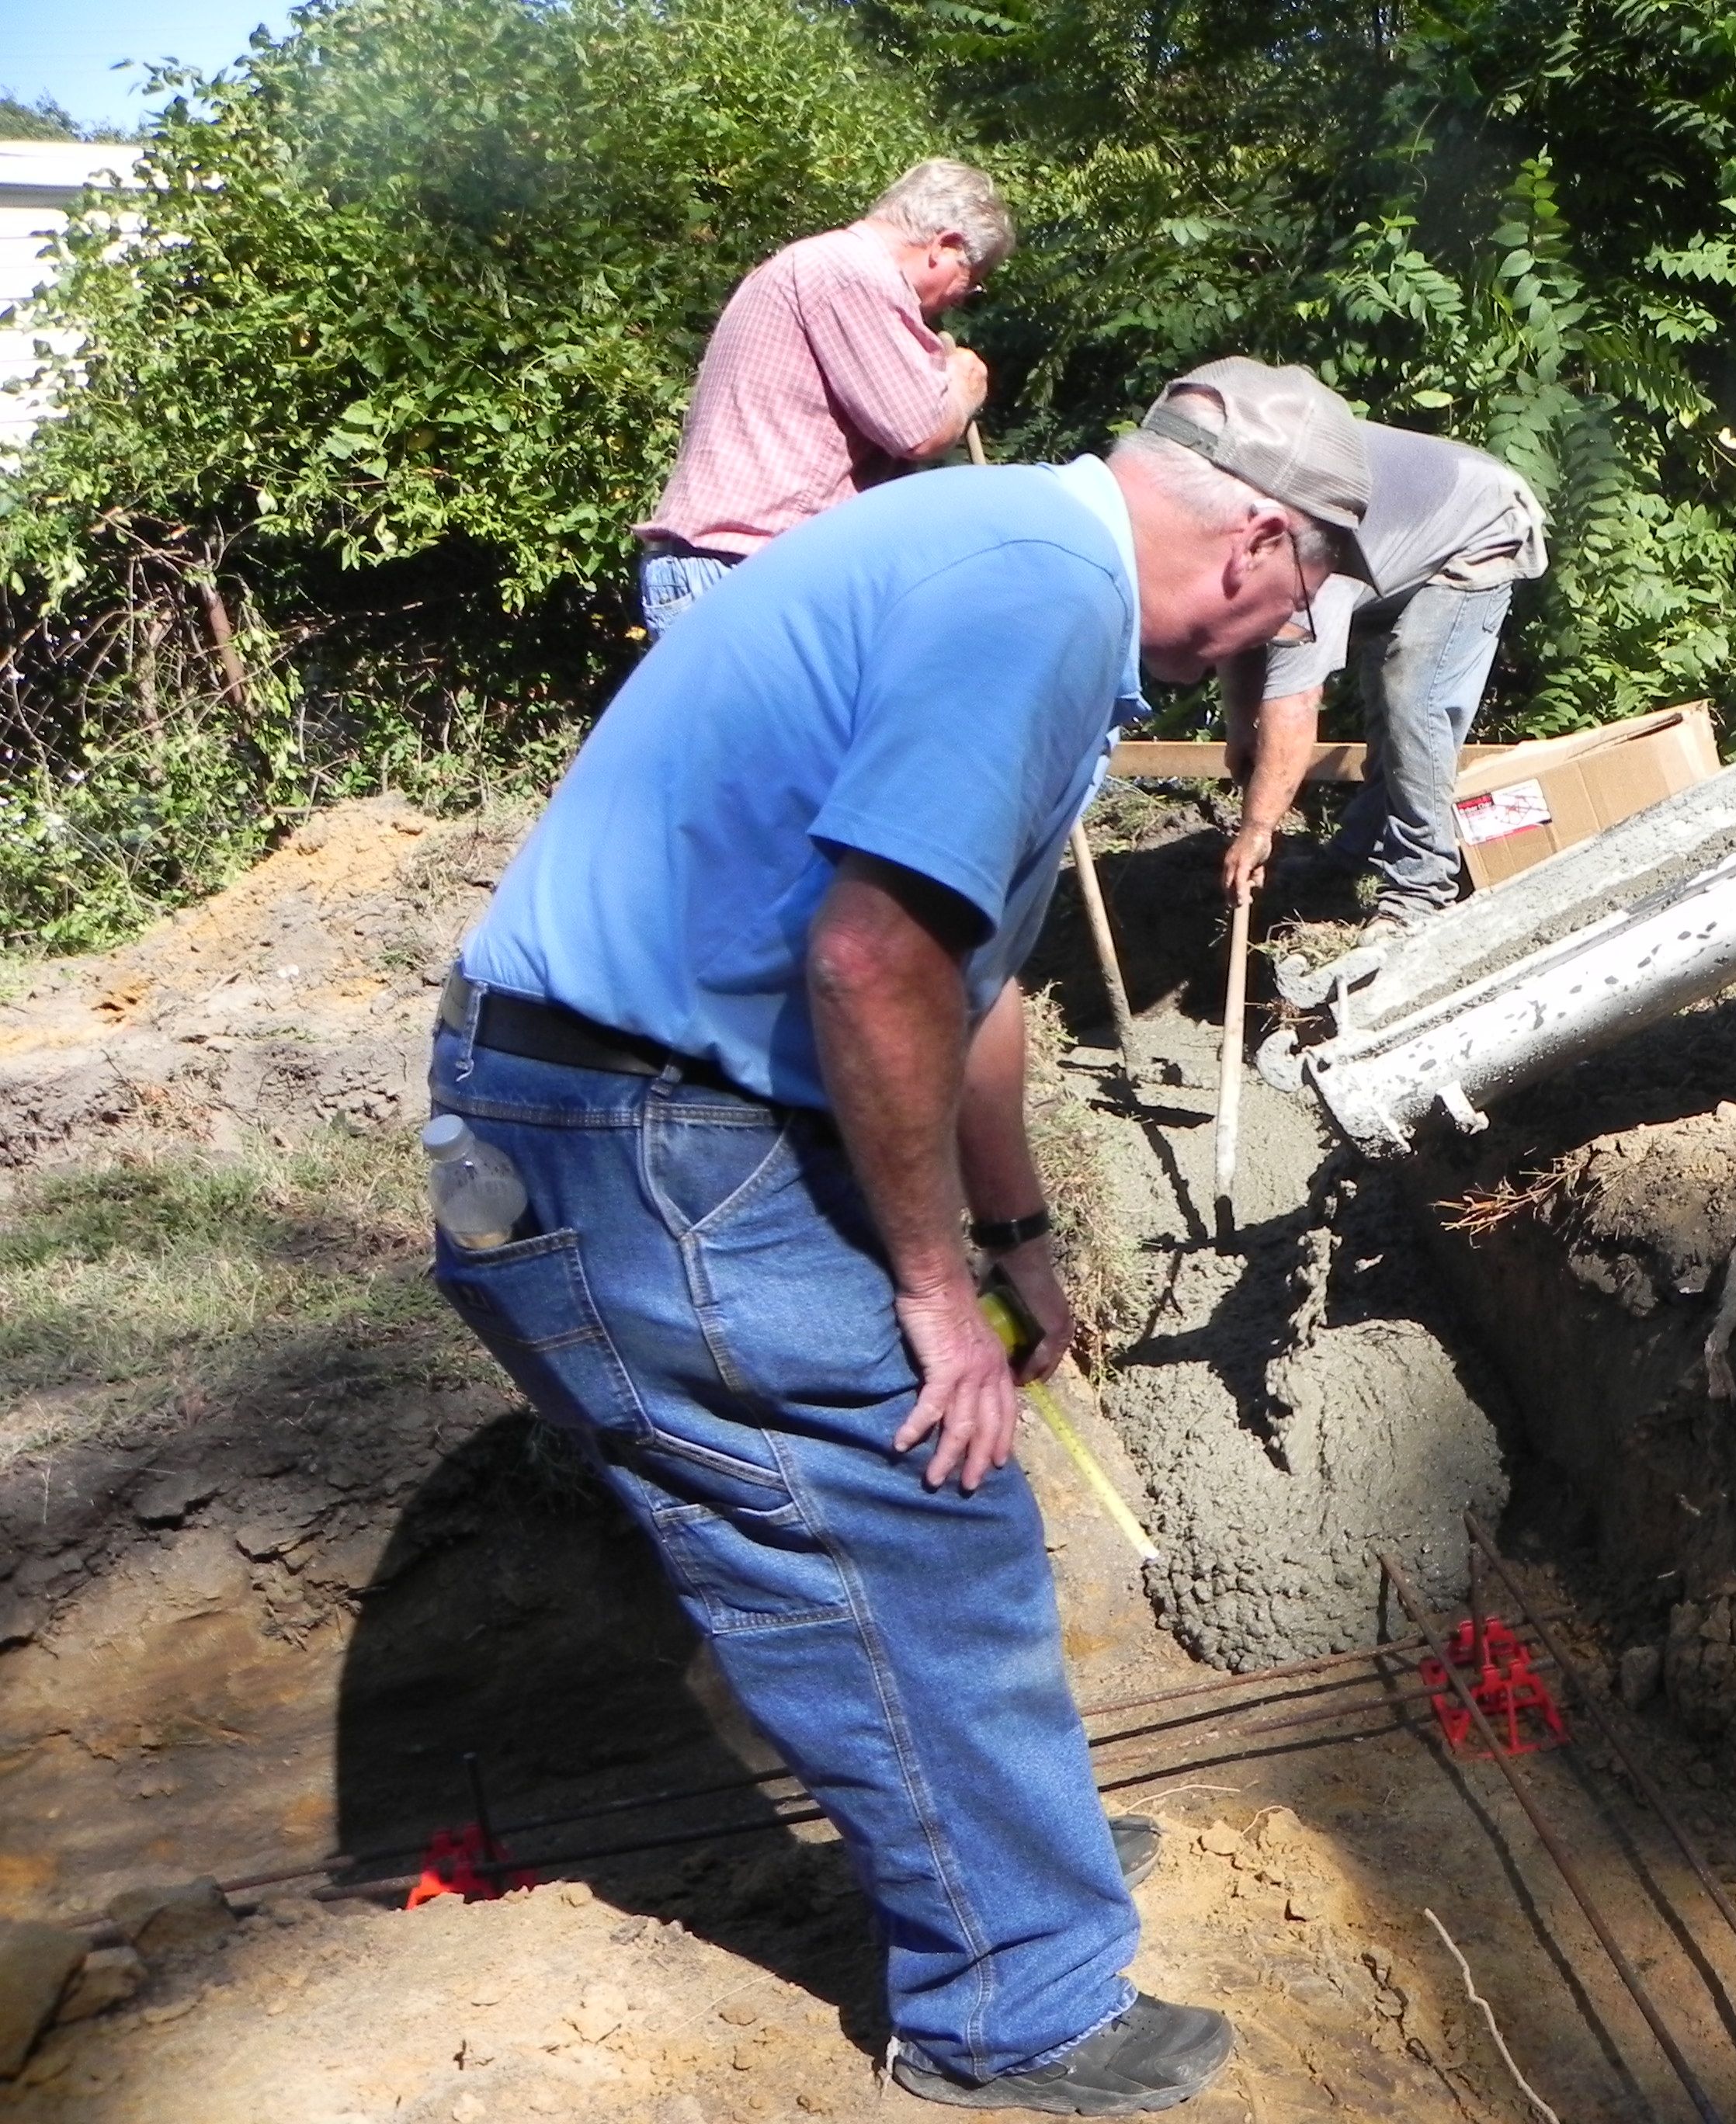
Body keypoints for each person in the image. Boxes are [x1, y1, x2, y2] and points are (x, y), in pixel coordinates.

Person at [429, 359, 1369, 2112]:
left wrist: (1013, 1239)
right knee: (898, 1522)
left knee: (933, 1501)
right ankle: (1014, 2004)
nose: (1279, 645)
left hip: (665, 1113)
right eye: (1300, 602)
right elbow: (872, 961)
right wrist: (932, 1293)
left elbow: (968, 976)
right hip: (638, 1132)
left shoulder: (1018, 564)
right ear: (1256, 539)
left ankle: (1005, 1844)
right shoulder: (1037, 597)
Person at [634, 158, 1015, 637]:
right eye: (972, 277)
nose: (966, 294)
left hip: (732, 568)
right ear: (945, 246)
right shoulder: (853, 274)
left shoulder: (819, 266)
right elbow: (920, 429)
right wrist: (962, 386)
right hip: (744, 571)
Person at [1217, 422, 1546, 925]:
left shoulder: (1304, 567)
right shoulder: (1227, 536)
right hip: (1402, 538)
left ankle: (1421, 888)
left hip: (1478, 527)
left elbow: (1295, 705)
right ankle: (1360, 849)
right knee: (1387, 710)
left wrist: (1258, 828)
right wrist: (1241, 728)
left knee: (1413, 702)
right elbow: (1238, 633)